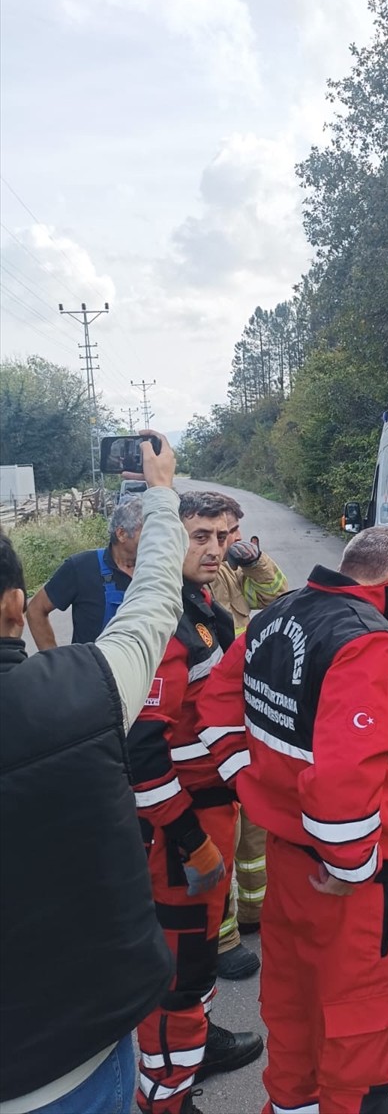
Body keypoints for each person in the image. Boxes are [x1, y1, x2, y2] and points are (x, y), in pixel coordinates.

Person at [196, 526, 388, 1114]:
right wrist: (349, 863)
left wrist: (252, 779)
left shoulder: (276, 616)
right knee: (357, 1021)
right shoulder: (368, 642)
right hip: (343, 881)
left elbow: (216, 702)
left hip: (287, 860)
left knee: (293, 1007)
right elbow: (347, 775)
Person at [1, 434, 185, 1114]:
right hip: (72, 1067)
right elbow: (155, 601)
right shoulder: (87, 689)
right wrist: (161, 491)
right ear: (14, 607)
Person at [127, 491, 262, 1114]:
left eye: (225, 535)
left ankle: (198, 1049)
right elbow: (143, 759)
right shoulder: (163, 628)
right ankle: (164, 1102)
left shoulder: (203, 607)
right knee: (176, 978)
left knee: (201, 955)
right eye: (201, 535)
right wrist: (191, 842)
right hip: (179, 825)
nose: (216, 548)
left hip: (212, 810)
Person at [208, 494, 288, 981]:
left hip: (246, 711)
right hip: (205, 721)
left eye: (231, 533)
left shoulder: (237, 570)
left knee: (255, 827)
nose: (224, 544)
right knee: (218, 833)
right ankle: (222, 937)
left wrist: (256, 559)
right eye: (213, 535)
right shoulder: (181, 581)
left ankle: (256, 914)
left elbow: (279, 596)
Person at [25, 496, 144, 648]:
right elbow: (36, 609)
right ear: (121, 534)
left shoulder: (153, 569)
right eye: (147, 533)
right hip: (91, 670)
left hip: (143, 670)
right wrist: (56, 662)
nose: (154, 540)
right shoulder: (81, 567)